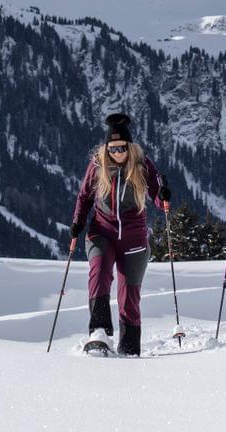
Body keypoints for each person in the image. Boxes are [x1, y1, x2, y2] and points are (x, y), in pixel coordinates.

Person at [71, 111, 168, 356]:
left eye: (121, 148)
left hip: (134, 239)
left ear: (129, 146)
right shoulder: (96, 167)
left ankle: (129, 349)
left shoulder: (143, 165)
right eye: (112, 149)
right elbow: (84, 197)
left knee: (129, 295)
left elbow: (157, 193)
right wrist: (78, 223)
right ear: (106, 149)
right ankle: (99, 332)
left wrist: (163, 196)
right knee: (99, 272)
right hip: (101, 232)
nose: (117, 153)